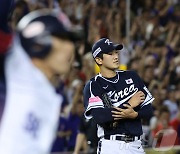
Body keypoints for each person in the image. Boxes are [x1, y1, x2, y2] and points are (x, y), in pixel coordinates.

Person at [0, 9, 83, 154]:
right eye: (62, 39)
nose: (70, 47)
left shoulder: (50, 94)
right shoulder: (10, 73)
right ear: (38, 41)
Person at [83, 38, 154, 154]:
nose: (116, 56)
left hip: (137, 145)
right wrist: (130, 104)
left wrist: (135, 115)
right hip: (112, 145)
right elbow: (100, 117)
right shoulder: (94, 85)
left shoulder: (132, 76)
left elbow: (148, 110)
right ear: (99, 60)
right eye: (110, 54)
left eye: (116, 52)